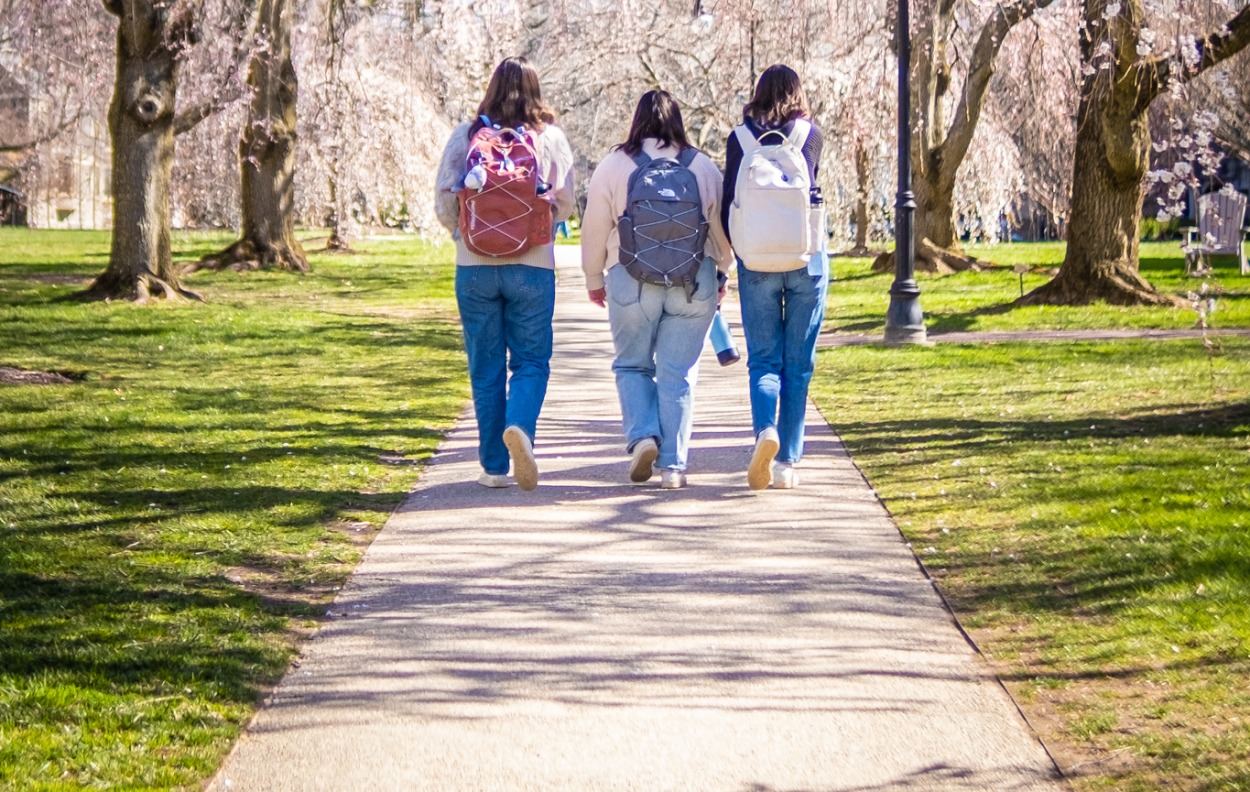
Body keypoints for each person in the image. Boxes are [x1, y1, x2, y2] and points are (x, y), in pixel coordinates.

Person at [434, 56, 575, 491]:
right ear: (535, 90)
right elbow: (567, 202)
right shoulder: (550, 137)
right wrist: (539, 227)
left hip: (474, 268)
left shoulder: (467, 134)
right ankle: (520, 427)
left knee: (486, 366)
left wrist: (469, 235)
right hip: (532, 266)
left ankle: (494, 467)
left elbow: (444, 201)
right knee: (532, 360)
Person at [582, 90, 733, 489]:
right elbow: (719, 232)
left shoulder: (615, 164)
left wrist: (594, 278)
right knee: (677, 374)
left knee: (632, 365)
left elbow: (594, 228)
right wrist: (722, 272)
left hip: (630, 280)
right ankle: (673, 468)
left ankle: (644, 436)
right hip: (691, 282)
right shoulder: (701, 166)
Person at [722, 64, 828, 491]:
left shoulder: (740, 139)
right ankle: (786, 461)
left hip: (757, 262)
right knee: (798, 366)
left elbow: (730, 204)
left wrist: (740, 254)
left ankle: (765, 430)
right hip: (806, 258)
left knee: (764, 360)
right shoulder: (811, 135)